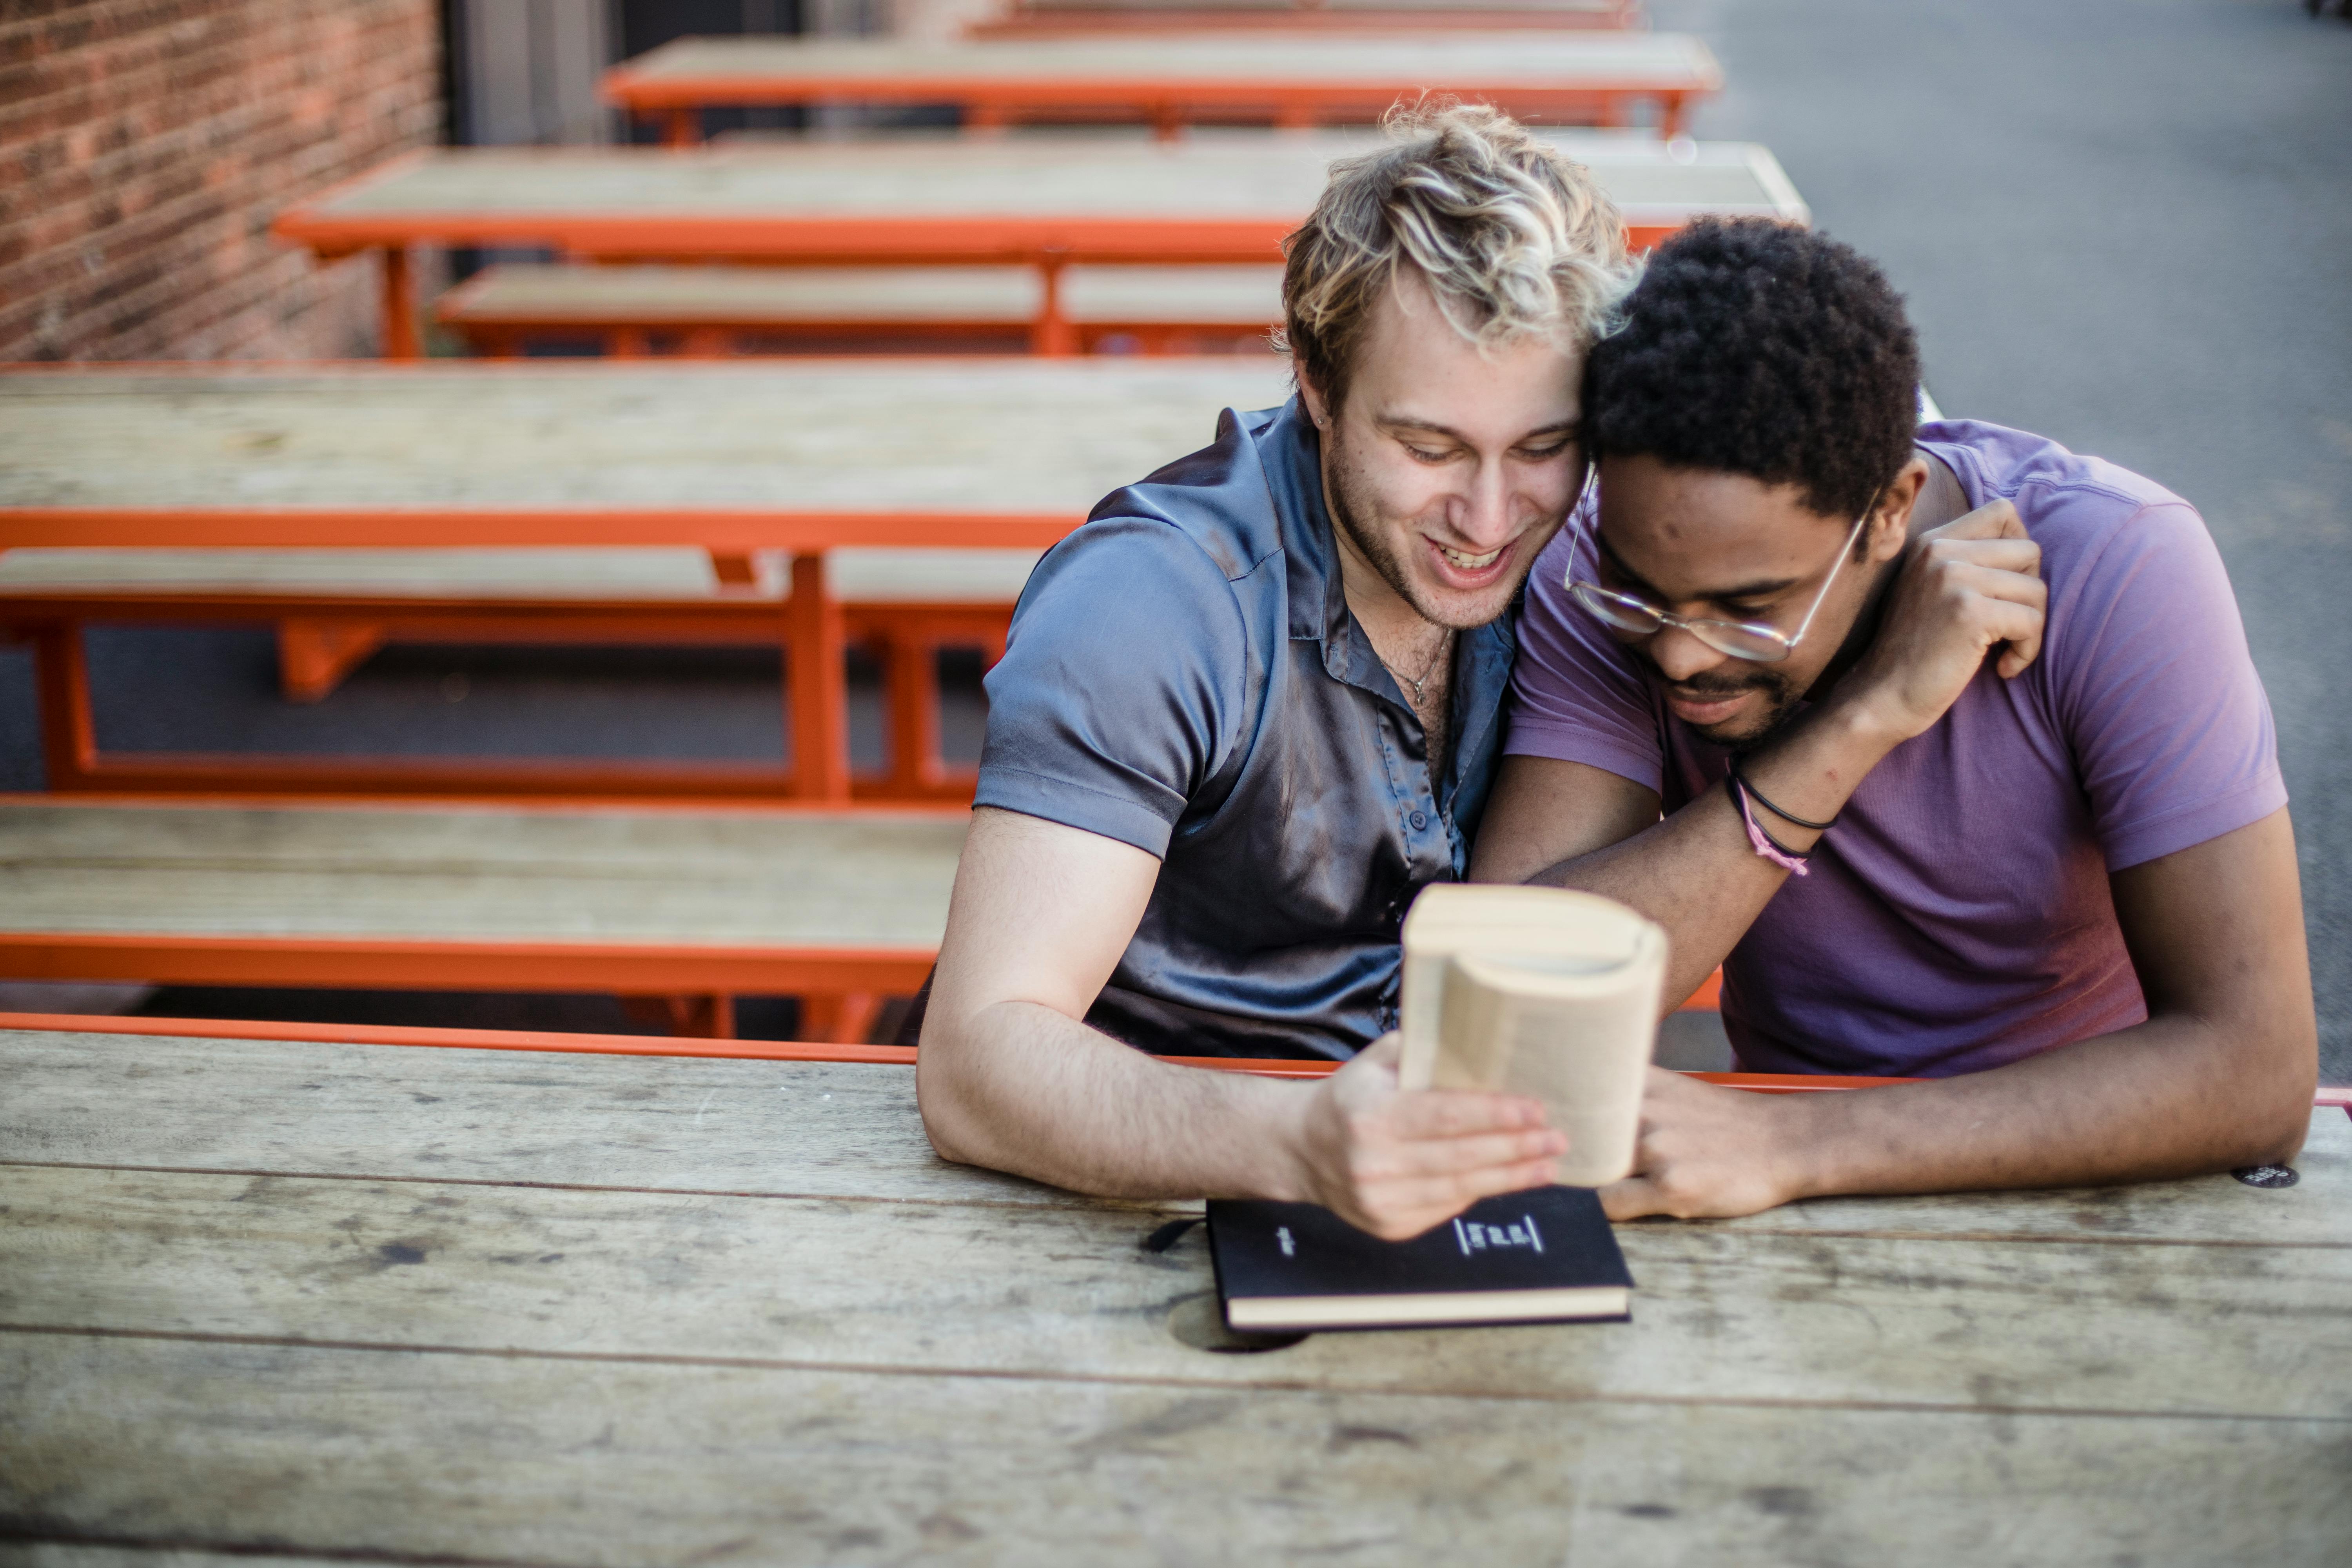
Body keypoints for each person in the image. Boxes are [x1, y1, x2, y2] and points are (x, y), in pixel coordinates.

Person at [1474, 217, 2318, 1220]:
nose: (1679, 653)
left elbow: (2259, 1072)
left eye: (1751, 608)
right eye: (1642, 593)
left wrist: (1795, 1142)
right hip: (1769, 1185)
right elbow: (1514, 1002)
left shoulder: (2119, 566)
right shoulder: (1600, 578)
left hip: (2088, 1179)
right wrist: (1862, 718)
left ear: (1891, 507)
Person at [913, 106, 1636, 1238]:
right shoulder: (1151, 603)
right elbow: (975, 1062)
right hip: (1115, 1203)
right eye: (1430, 448)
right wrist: (1297, 1143)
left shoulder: (1585, 544)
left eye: (1542, 447)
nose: (1492, 519)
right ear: (1312, 378)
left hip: (1438, 1182)